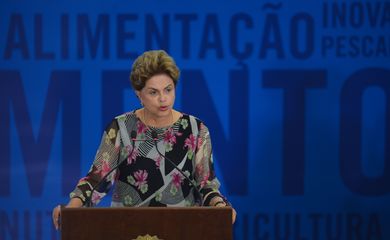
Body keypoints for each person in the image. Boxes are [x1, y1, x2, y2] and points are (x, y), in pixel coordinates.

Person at [52, 50, 236, 229]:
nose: (163, 99)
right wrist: (70, 210)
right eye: (153, 92)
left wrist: (220, 206)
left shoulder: (196, 129)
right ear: (139, 94)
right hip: (127, 229)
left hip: (181, 230)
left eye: (168, 90)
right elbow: (96, 181)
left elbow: (205, 184)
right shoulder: (121, 128)